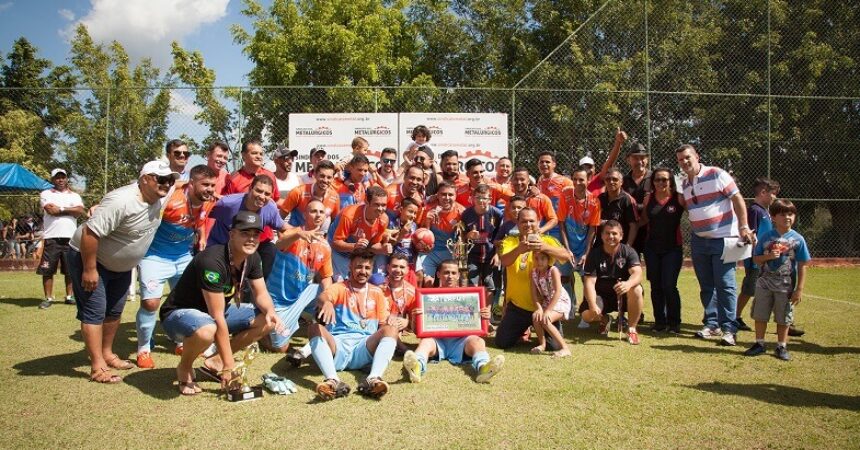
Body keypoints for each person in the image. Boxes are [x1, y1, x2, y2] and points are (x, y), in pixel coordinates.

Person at [67, 160, 176, 384]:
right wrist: (89, 269)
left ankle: (107, 353)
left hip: (121, 266)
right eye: (162, 179)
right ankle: (97, 365)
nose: (167, 184)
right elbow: (90, 233)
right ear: (145, 179)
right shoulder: (121, 201)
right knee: (94, 311)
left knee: (114, 312)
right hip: (91, 259)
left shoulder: (158, 196)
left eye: (170, 180)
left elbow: (187, 183)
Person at [159, 211, 284, 395]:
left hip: (215, 314)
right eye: (245, 233)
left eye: (255, 234)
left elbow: (261, 292)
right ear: (232, 234)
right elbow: (216, 317)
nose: (251, 239)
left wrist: (271, 311)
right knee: (207, 329)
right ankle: (185, 367)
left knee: (266, 321)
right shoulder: (212, 261)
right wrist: (229, 365)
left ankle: (215, 362)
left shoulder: (253, 257)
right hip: (178, 315)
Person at [134, 165, 217, 368]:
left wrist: (202, 236)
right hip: (155, 256)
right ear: (191, 183)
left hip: (183, 257)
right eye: (205, 184)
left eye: (213, 185)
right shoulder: (169, 197)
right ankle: (143, 348)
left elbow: (199, 221)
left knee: (187, 302)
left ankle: (181, 340)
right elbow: (138, 192)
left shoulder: (210, 201)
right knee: (151, 303)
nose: (210, 189)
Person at [677, 144, 755, 346]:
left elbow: (737, 199)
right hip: (699, 240)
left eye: (688, 157)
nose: (685, 162)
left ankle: (729, 328)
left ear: (697, 157)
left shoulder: (717, 174)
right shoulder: (684, 183)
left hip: (724, 238)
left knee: (725, 284)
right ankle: (712, 324)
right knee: (706, 285)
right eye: (680, 159)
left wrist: (744, 227)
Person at [309, 251, 399, 400]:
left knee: (391, 329)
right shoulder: (339, 287)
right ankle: (333, 380)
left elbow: (383, 325)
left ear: (372, 269)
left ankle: (373, 379)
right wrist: (327, 302)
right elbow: (323, 296)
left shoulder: (377, 293)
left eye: (367, 268)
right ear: (350, 267)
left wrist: (394, 324)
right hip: (338, 346)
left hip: (364, 346)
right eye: (358, 267)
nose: (363, 271)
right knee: (314, 328)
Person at [402, 260, 505, 383]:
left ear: (458, 275)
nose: (450, 276)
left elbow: (482, 328)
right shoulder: (427, 298)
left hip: (462, 341)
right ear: (438, 274)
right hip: (436, 341)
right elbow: (416, 331)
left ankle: (484, 368)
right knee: (425, 342)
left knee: (478, 341)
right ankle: (416, 367)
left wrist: (484, 317)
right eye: (446, 272)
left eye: (453, 273)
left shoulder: (470, 297)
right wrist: (414, 319)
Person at [744, 199, 810, 361]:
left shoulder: (798, 239)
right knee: (761, 314)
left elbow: (802, 265)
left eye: (790, 214)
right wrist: (768, 256)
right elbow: (756, 259)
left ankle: (781, 346)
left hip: (785, 285)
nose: (787, 217)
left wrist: (799, 289)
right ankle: (759, 343)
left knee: (784, 316)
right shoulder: (766, 237)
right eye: (782, 214)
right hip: (764, 282)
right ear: (773, 217)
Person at [262, 200, 332, 353]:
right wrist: (298, 233)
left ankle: (326, 332)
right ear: (305, 214)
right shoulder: (293, 234)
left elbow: (326, 277)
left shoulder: (325, 246)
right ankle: (261, 331)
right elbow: (279, 244)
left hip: (303, 295)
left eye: (321, 212)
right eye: (313, 211)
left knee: (333, 296)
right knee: (280, 348)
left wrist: (328, 298)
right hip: (278, 301)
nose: (318, 215)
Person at [496, 208, 570, 349]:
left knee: (553, 346)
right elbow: (504, 261)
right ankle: (523, 329)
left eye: (531, 221)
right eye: (524, 221)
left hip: (545, 306)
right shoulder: (510, 241)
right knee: (502, 343)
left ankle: (541, 330)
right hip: (519, 307)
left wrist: (544, 247)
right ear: (517, 223)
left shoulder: (548, 240)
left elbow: (566, 256)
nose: (528, 224)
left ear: (538, 222)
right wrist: (519, 249)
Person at [208, 175, 287, 279]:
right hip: (221, 247)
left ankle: (257, 284)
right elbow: (203, 214)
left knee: (270, 249)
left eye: (267, 194)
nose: (262, 196)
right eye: (259, 191)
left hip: (245, 249)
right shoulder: (228, 204)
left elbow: (284, 228)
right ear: (250, 189)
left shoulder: (270, 208)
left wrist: (302, 233)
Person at [579, 220, 645, 345]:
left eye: (614, 233)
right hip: (601, 295)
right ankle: (604, 319)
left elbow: (637, 273)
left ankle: (631, 329)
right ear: (602, 235)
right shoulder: (594, 254)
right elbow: (589, 283)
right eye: (607, 233)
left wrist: (628, 284)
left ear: (621, 236)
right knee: (586, 317)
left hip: (623, 294)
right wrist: (592, 305)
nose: (611, 237)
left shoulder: (629, 252)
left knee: (637, 289)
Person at [638, 168, 686, 333]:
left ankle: (674, 323)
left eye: (664, 180)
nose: (660, 183)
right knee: (656, 286)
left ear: (671, 181)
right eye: (657, 180)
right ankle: (660, 322)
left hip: (673, 249)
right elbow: (643, 219)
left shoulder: (679, 198)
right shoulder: (648, 199)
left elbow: (694, 214)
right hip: (652, 248)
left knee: (669, 285)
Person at [37, 168, 85, 309]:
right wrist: (70, 209)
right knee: (47, 269)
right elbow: (50, 210)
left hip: (70, 237)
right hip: (52, 237)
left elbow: (79, 212)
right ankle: (48, 298)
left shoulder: (75, 195)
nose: (60, 180)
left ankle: (69, 296)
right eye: (57, 177)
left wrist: (61, 209)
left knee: (70, 270)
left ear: (66, 179)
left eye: (63, 177)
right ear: (52, 180)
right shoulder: (46, 193)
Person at [736, 177, 779, 332]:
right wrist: (757, 256)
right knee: (749, 289)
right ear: (763, 192)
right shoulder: (755, 211)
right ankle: (735, 317)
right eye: (773, 194)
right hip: (757, 260)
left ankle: (785, 320)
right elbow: (751, 235)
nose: (775, 197)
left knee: (774, 288)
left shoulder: (765, 212)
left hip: (767, 259)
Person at [329, 186, 391, 280]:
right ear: (366, 201)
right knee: (340, 283)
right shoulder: (350, 216)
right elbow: (336, 243)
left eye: (383, 205)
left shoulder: (383, 220)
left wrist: (383, 248)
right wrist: (355, 246)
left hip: (357, 249)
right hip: (337, 249)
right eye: (376, 204)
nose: (380, 209)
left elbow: (372, 246)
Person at [558, 168, 601, 282]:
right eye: (575, 179)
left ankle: (587, 301)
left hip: (583, 249)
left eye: (581, 180)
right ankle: (570, 300)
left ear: (589, 180)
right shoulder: (565, 195)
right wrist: (567, 250)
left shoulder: (594, 201)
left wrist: (586, 254)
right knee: (565, 279)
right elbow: (561, 223)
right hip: (567, 247)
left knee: (587, 280)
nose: (577, 183)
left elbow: (592, 229)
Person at [418, 181, 464, 286]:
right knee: (427, 281)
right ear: (437, 195)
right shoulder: (428, 209)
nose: (447, 198)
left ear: (456, 196)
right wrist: (427, 222)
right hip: (431, 253)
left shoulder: (461, 212)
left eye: (450, 194)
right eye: (443, 194)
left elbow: (463, 240)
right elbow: (420, 236)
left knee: (453, 283)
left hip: (451, 253)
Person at [278, 160, 340, 235]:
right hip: (296, 239)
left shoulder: (335, 197)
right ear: (315, 175)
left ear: (333, 178)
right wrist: (282, 241)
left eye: (329, 177)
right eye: (322, 176)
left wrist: (326, 242)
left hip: (318, 240)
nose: (325, 180)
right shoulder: (298, 192)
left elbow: (334, 224)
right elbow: (279, 220)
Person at [529, 249, 572, 357]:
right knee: (536, 316)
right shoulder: (534, 273)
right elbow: (534, 294)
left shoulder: (553, 270)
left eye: (543, 258)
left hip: (560, 300)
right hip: (547, 301)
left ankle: (565, 348)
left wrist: (547, 311)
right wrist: (539, 308)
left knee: (545, 320)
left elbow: (557, 291)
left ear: (549, 259)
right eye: (536, 259)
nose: (539, 262)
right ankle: (542, 344)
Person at [461, 184, 503, 292]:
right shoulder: (466, 214)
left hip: (490, 255)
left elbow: (501, 237)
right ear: (473, 198)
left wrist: (497, 254)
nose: (481, 201)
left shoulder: (497, 214)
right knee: (472, 283)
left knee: (489, 284)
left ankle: (488, 309)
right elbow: (462, 235)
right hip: (473, 255)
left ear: (490, 199)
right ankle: (474, 308)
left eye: (484, 198)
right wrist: (468, 235)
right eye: (478, 197)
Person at [596, 168, 639, 249]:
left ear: (621, 182)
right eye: (608, 179)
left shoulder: (628, 200)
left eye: (615, 179)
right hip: (601, 245)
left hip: (620, 246)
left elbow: (633, 226)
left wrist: (627, 247)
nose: (611, 182)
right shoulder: (600, 198)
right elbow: (593, 221)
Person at [507, 167, 558, 234]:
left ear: (528, 181)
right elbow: (508, 222)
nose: (519, 182)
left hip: (539, 239)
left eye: (522, 179)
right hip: (516, 239)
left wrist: (541, 230)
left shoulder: (542, 199)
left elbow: (553, 219)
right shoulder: (510, 201)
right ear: (512, 181)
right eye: (516, 179)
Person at [536, 151, 574, 242]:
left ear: (554, 164)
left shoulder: (565, 181)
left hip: (559, 226)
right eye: (541, 162)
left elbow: (574, 203)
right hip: (544, 224)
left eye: (547, 162)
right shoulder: (540, 181)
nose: (544, 164)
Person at [622, 142, 651, 255]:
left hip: (650, 231)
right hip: (630, 231)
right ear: (628, 160)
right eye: (635, 158)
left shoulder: (655, 179)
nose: (639, 161)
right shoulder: (622, 181)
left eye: (642, 158)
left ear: (647, 159)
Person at [584, 128, 628, 195]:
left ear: (594, 169)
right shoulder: (574, 184)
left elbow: (610, 162)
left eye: (590, 167)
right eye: (584, 167)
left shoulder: (598, 179)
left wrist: (618, 143)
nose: (588, 170)